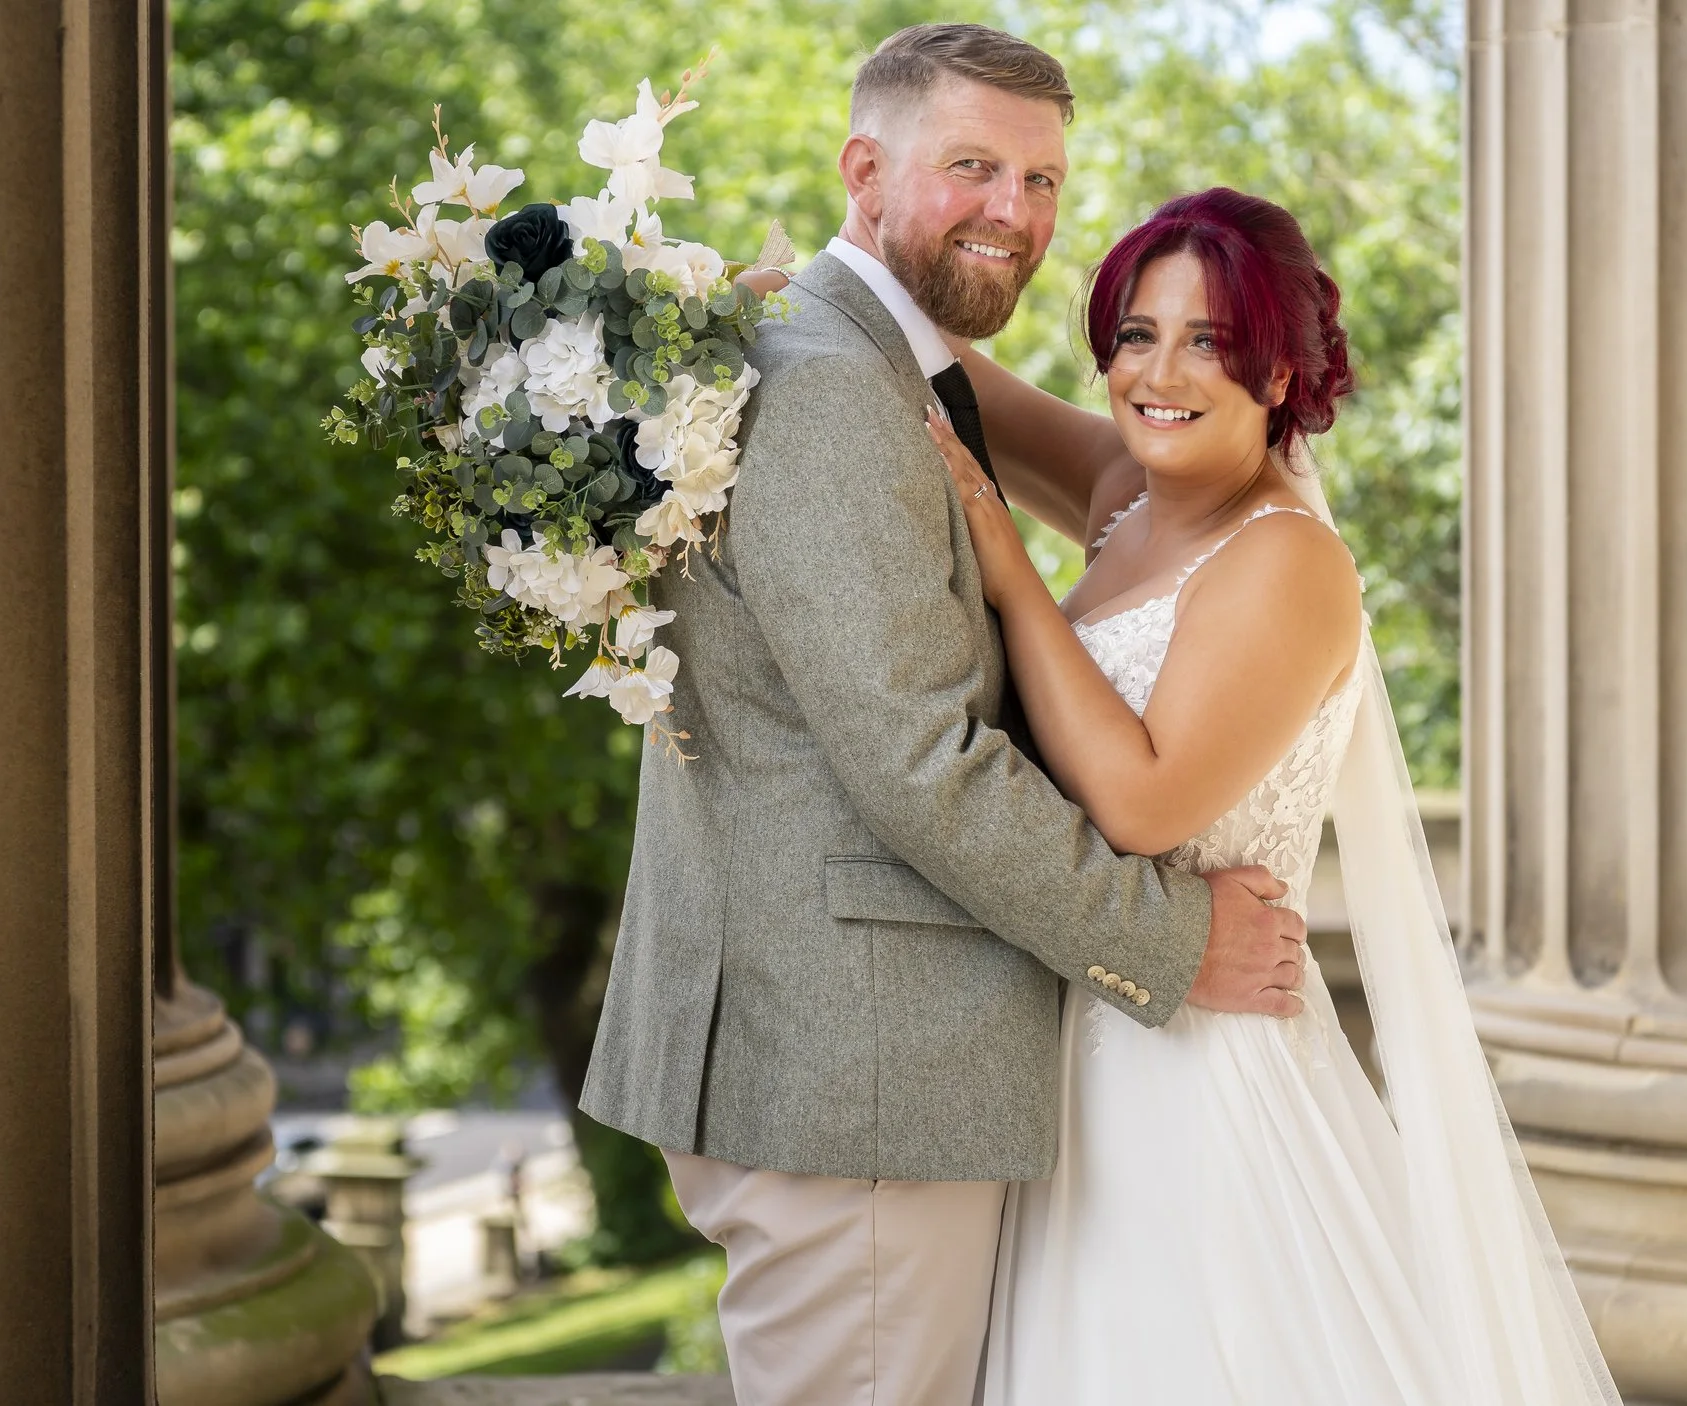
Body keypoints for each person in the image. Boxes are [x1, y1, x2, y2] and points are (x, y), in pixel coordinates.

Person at [577, 24, 1308, 1406]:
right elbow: (924, 762)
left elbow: (1114, 460)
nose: (1014, 214)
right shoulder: (837, 388)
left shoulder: (866, 355)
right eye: (973, 167)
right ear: (864, 170)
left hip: (869, 1063)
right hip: (857, 1074)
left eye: (1041, 181)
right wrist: (1172, 937)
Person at [929, 187, 1620, 1404]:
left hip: (1195, 1090)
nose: (1160, 371)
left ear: (1284, 373)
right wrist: (765, 290)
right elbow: (955, 384)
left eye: (1209, 341)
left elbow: (1142, 805)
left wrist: (1012, 580)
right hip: (1072, 1050)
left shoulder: (1286, 560)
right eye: (1136, 334)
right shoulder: (1128, 494)